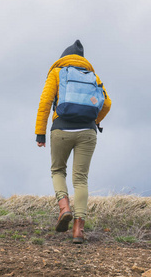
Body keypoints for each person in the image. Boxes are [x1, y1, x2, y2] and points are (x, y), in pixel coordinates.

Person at [35, 40, 111, 244]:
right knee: (81, 179)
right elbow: (108, 103)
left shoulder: (58, 72)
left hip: (61, 129)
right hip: (87, 131)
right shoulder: (93, 76)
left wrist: (40, 133)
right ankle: (78, 229)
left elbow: (45, 102)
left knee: (58, 170)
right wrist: (95, 121)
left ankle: (64, 208)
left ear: (64, 57)